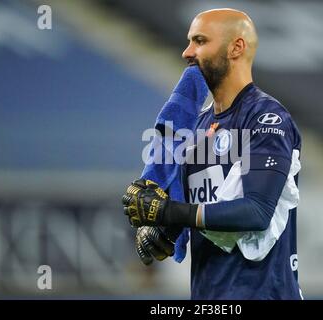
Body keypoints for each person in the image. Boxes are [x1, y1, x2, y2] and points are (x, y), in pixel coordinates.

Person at [122, 8, 303, 300]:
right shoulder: (197, 127)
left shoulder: (267, 117)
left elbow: (256, 212)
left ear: (236, 47)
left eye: (200, 41)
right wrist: (163, 230)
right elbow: (200, 210)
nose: (187, 52)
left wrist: (168, 211)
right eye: (189, 41)